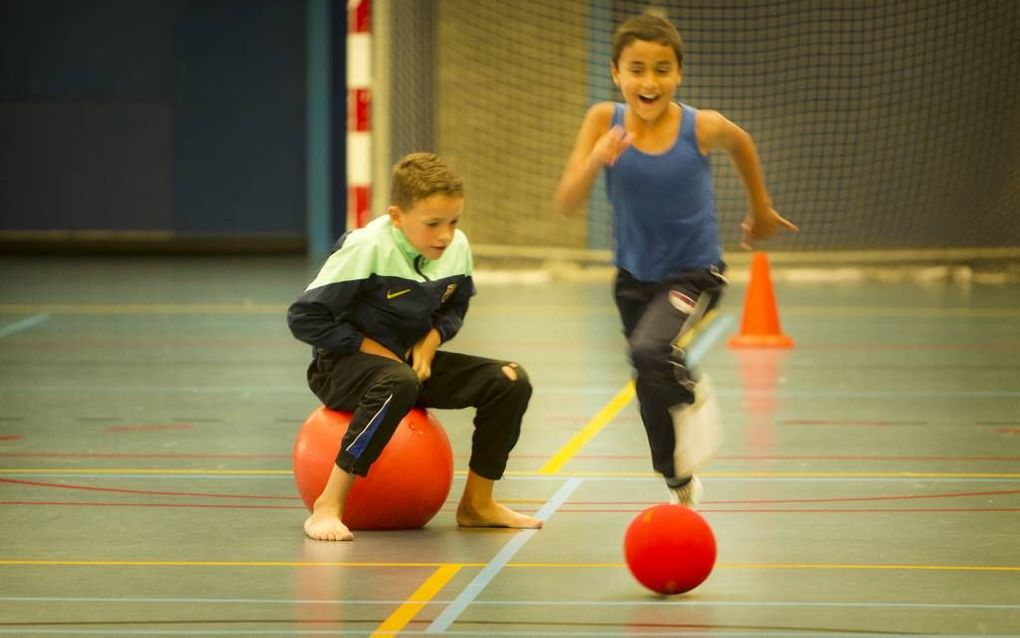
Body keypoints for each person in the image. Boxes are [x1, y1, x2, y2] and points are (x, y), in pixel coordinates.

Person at [554, 13, 797, 506]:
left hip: (695, 271)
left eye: (662, 69)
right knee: (647, 383)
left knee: (651, 353)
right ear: (616, 73)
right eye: (637, 69)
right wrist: (597, 158)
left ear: (678, 74)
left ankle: (692, 390)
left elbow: (742, 142)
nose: (649, 81)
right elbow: (567, 200)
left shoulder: (700, 126)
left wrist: (760, 208)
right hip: (632, 278)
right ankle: (676, 479)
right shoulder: (603, 120)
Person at [288, 152, 543, 541]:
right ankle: (329, 504)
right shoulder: (366, 247)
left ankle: (477, 503)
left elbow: (456, 304)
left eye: (453, 222)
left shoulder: (455, 246)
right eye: (432, 224)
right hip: (341, 369)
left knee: (509, 380)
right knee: (398, 382)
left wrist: (431, 340)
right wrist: (369, 348)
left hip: (408, 366)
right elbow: (304, 317)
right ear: (396, 216)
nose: (445, 235)